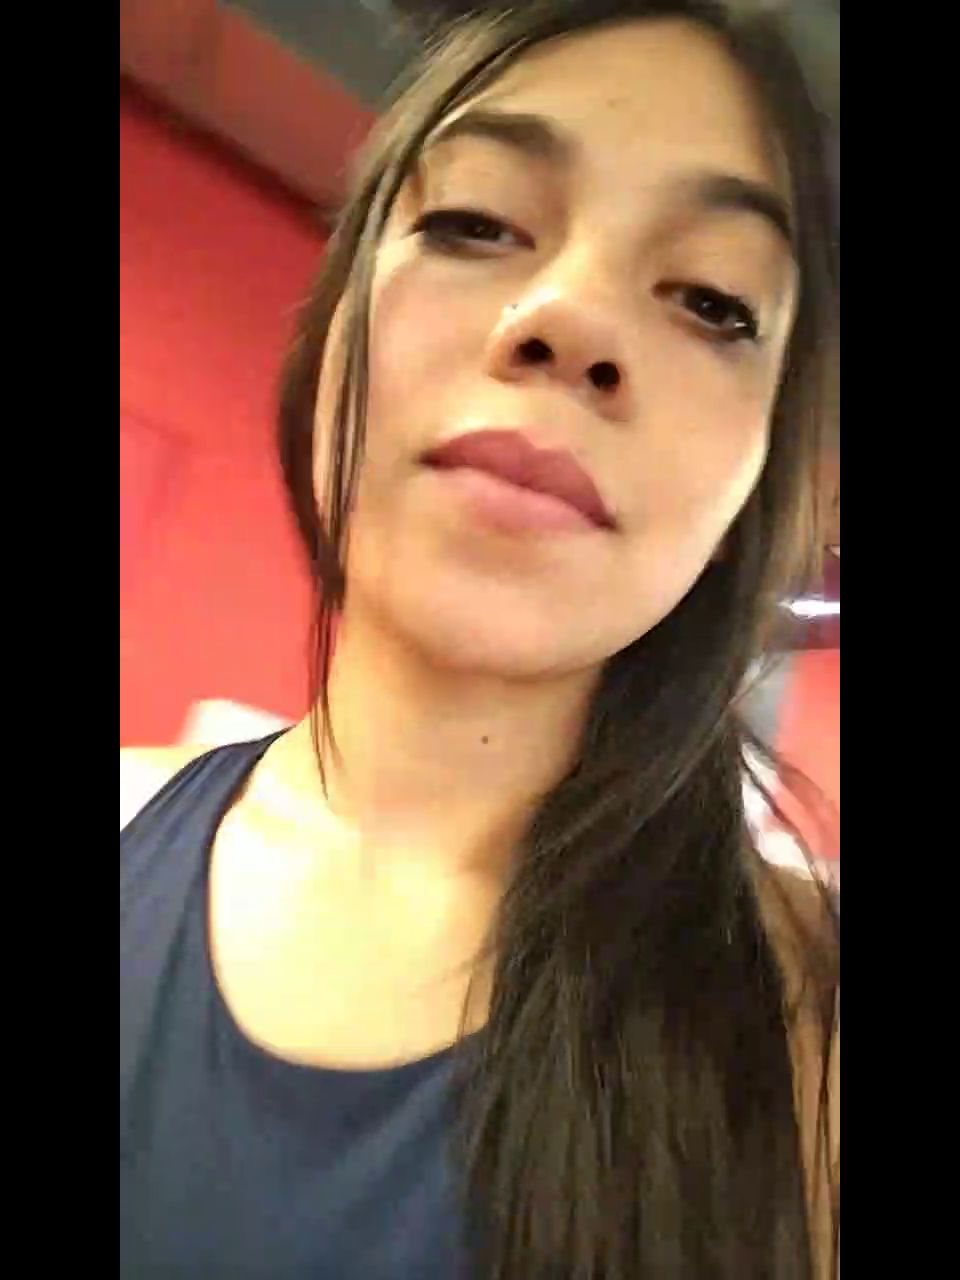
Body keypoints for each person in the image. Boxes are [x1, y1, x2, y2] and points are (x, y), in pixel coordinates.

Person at [120, 2, 840, 1276]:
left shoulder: (808, 1035)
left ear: (762, 478)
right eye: (474, 221)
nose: (574, 317)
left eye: (714, 301)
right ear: (336, 317)